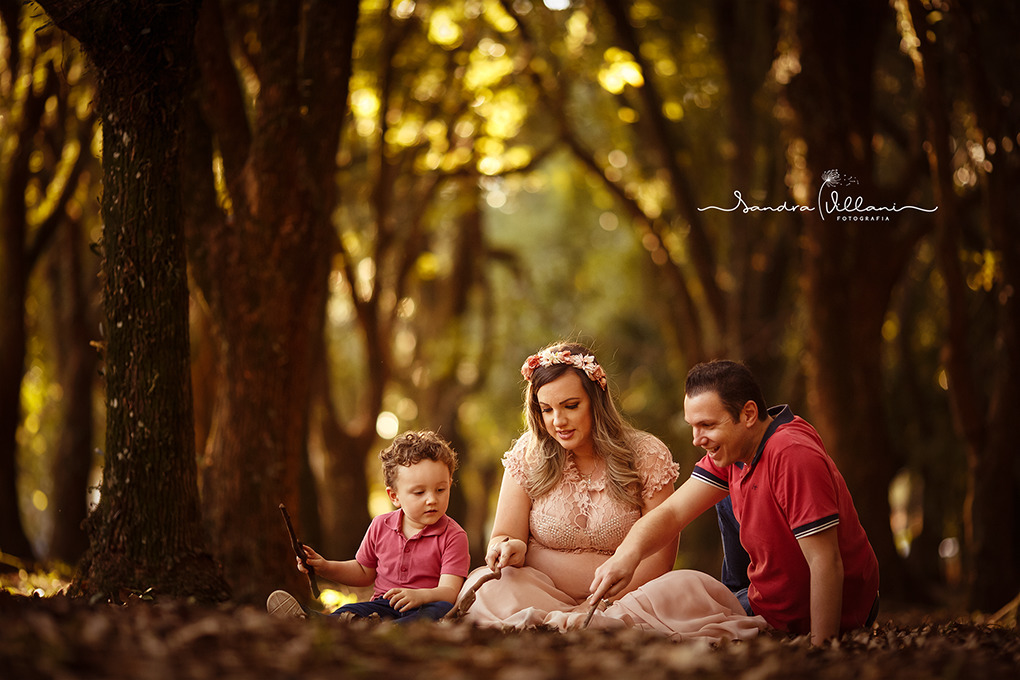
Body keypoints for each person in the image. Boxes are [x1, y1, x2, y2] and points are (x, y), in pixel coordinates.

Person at [458, 343, 766, 642]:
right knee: (488, 584)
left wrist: (597, 605)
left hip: (632, 599)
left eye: (570, 406)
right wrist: (509, 549)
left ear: (596, 399)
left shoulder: (646, 454)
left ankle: (590, 624)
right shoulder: (528, 454)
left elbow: (659, 560)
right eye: (546, 409)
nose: (557, 421)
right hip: (540, 592)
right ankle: (563, 624)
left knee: (685, 586)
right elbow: (504, 536)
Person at [590, 360, 880, 645]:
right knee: (666, 598)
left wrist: (822, 649)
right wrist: (626, 555)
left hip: (827, 614)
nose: (696, 439)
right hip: (764, 603)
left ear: (749, 414)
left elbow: (825, 561)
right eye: (693, 426)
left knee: (671, 610)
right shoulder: (734, 451)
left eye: (707, 425)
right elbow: (674, 512)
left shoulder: (791, 454)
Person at [268, 430, 470, 623]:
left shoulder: (453, 535)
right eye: (419, 493)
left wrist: (419, 596)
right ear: (394, 496)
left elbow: (450, 591)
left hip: (426, 606)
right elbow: (363, 571)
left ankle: (387, 631)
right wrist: (324, 567)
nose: (432, 499)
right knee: (349, 611)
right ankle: (311, 620)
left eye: (441, 489)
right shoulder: (380, 526)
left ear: (450, 483)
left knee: (441, 609)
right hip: (383, 605)